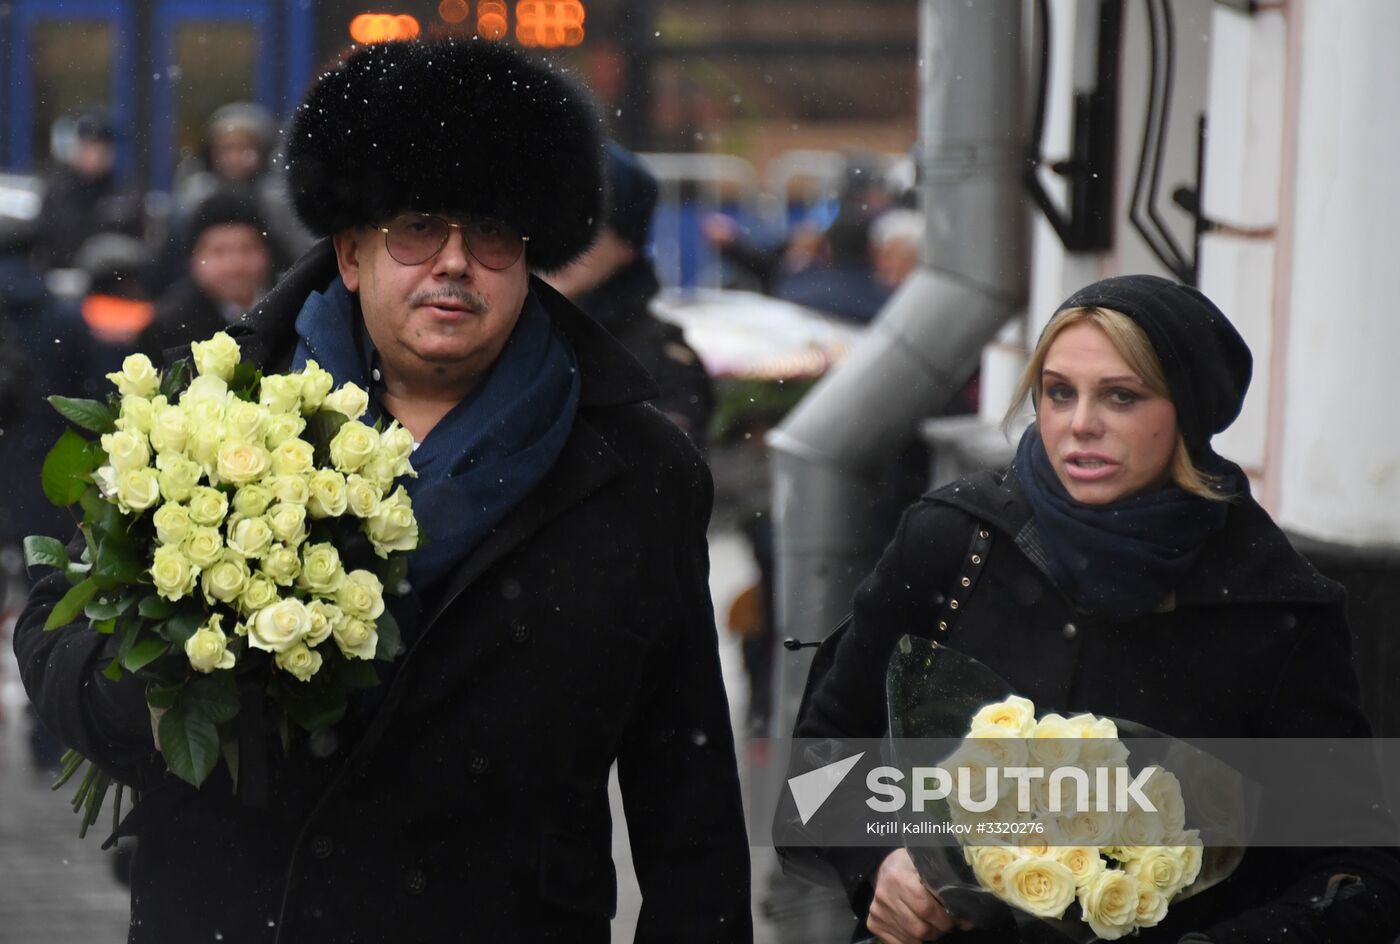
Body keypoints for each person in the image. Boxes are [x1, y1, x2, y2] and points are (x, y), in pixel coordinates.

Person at [14, 37, 750, 943]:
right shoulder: (204, 411)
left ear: (531, 255)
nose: (453, 263)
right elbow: (57, 625)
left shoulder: (632, 469)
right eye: (418, 228)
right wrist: (161, 694)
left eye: (489, 234)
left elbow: (688, 790)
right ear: (353, 251)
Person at [785, 275, 1400, 942]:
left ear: (1188, 412)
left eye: (1121, 396)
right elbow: (817, 768)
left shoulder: (1274, 606)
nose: (1080, 424)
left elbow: (1361, 871)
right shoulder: (955, 541)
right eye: (1058, 393)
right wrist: (878, 866)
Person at [545, 142, 713, 445]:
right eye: (551, 222)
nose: (562, 243)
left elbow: (661, 479)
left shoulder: (659, 361)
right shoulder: (512, 331)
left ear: (626, 246)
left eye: (585, 228)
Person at [140, 186, 272, 356]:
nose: (234, 265)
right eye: (219, 252)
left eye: (247, 249)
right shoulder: (168, 327)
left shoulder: (289, 308)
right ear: (194, 259)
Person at [31, 110, 144, 272]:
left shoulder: (125, 193)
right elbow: (43, 241)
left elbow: (136, 248)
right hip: (59, 280)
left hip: (106, 285)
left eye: (98, 148)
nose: (91, 155)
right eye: (85, 147)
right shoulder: (57, 190)